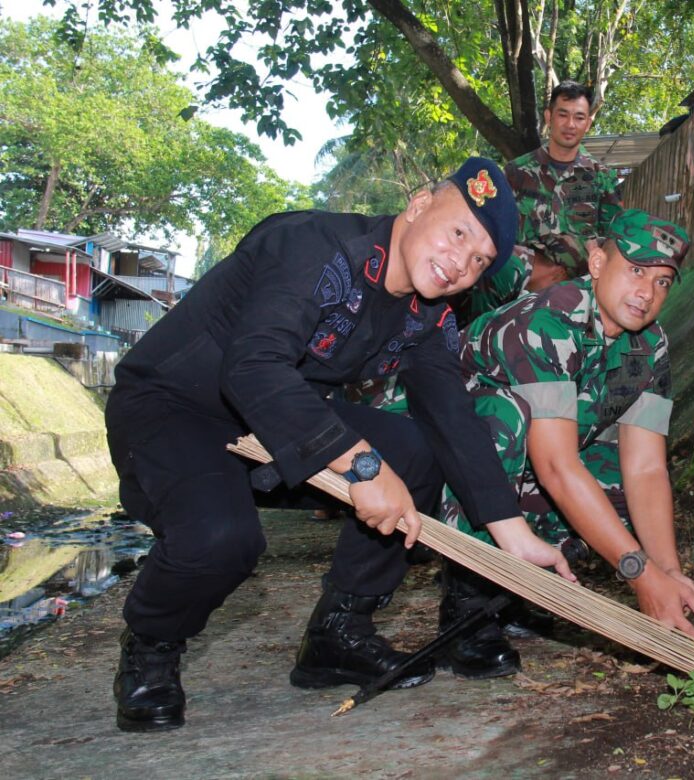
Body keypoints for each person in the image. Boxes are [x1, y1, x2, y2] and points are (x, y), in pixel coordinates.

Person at [104, 157, 574, 733]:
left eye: (479, 260)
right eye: (458, 234)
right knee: (222, 539)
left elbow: (453, 417)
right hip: (176, 409)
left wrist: (512, 533)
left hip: (283, 421)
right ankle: (152, 646)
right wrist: (362, 465)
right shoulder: (312, 246)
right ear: (420, 204)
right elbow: (252, 368)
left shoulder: (426, 314)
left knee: (418, 450)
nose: (460, 263)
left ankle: (338, 634)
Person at [434, 208, 694, 680]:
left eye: (664, 282)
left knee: (611, 476)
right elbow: (556, 466)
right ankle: (467, 604)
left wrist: (666, 572)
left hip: (523, 465)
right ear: (598, 262)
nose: (647, 293)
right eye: (636, 270)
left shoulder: (650, 346)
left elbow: (646, 469)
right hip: (429, 456)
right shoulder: (550, 318)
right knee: (504, 420)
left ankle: (518, 590)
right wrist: (638, 575)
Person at [461, 81, 623, 322]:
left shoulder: (602, 177)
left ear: (588, 123)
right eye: (563, 115)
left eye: (579, 117)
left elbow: (614, 240)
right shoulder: (516, 173)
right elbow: (493, 232)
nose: (570, 124)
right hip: (517, 296)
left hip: (576, 297)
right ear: (549, 117)